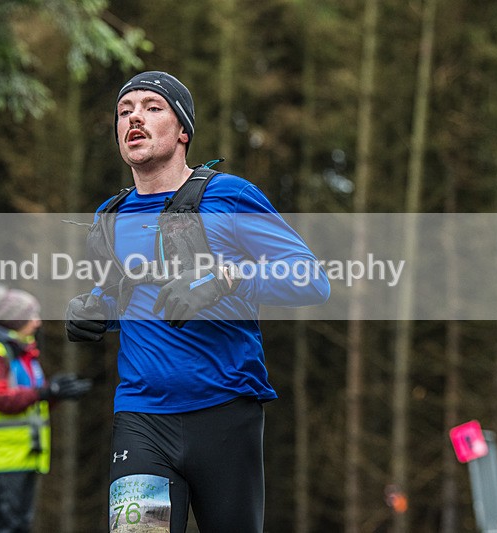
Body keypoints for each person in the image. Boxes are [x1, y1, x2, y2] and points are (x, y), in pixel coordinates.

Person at [65, 71, 330, 532]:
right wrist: (93, 309)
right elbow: (123, 291)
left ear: (183, 130)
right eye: (124, 111)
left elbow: (312, 280)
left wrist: (226, 280)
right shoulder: (110, 215)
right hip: (141, 416)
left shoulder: (229, 196)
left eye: (152, 107)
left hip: (225, 412)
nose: (134, 118)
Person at [0, 283, 92, 533]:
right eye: (31, 316)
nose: (37, 322)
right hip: (1, 456)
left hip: (24, 454)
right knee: (8, 526)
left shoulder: (23, 355)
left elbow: (33, 402)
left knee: (20, 525)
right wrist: (45, 392)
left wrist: (56, 392)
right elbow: (1, 399)